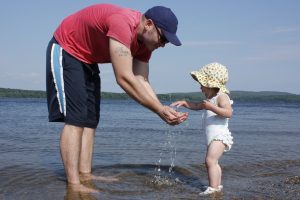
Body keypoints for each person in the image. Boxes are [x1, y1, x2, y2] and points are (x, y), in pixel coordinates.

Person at [46, 4, 188, 193]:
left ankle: (85, 175)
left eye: (167, 42)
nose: (162, 44)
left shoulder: (145, 45)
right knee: (76, 119)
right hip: (67, 47)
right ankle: (74, 184)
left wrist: (162, 108)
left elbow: (142, 80)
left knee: (90, 121)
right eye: (162, 38)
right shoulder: (122, 23)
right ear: (148, 24)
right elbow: (123, 78)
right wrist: (159, 110)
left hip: (88, 59)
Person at [171, 62, 233, 195]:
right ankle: (217, 186)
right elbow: (196, 106)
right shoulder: (210, 99)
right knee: (213, 162)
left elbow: (228, 112)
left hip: (220, 137)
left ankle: (213, 188)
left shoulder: (222, 97)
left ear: (211, 84)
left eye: (202, 85)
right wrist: (184, 102)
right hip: (213, 138)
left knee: (210, 160)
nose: (200, 88)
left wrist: (212, 107)